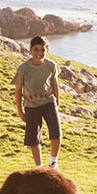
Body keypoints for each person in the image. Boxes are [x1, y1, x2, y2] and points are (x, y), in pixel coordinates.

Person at [13, 36, 61, 168]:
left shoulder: (52, 65)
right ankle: (38, 166)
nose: (39, 53)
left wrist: (57, 101)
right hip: (31, 106)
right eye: (36, 49)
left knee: (56, 131)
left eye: (42, 49)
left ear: (47, 50)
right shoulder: (23, 69)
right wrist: (20, 111)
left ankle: (53, 162)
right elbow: (18, 90)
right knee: (34, 137)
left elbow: (55, 83)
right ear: (30, 50)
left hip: (49, 102)